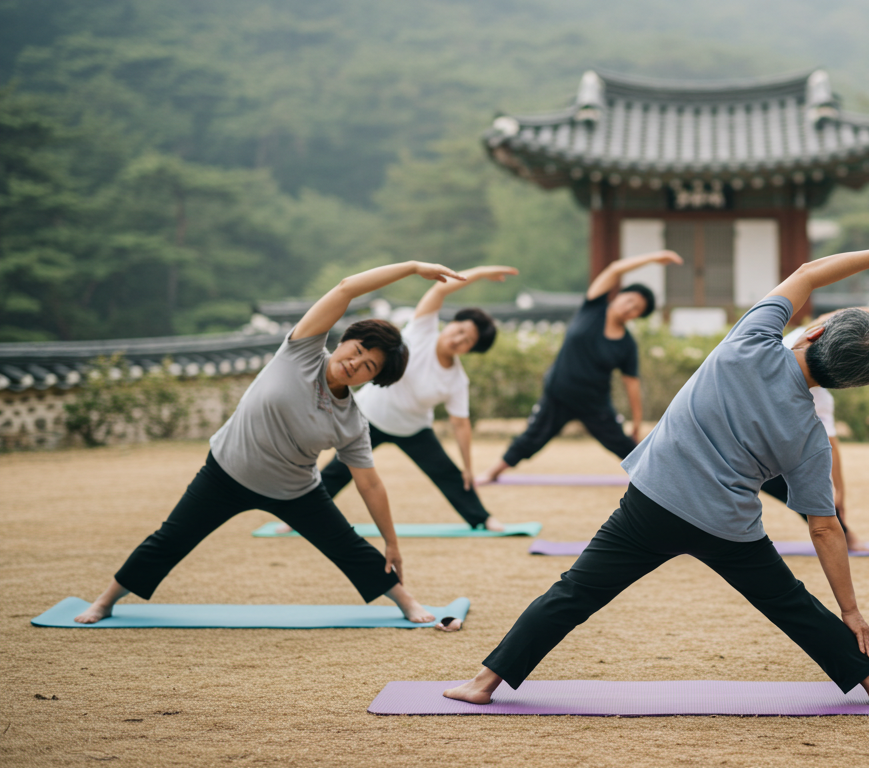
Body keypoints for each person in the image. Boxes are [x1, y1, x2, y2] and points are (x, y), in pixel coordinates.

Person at [442, 247, 869, 706]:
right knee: (790, 604)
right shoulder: (811, 435)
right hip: (728, 528)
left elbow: (809, 274)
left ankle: (485, 682)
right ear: (849, 384)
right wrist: (851, 611)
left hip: (652, 503)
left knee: (575, 592)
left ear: (813, 333)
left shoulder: (749, 340)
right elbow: (824, 526)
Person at [73, 261, 466, 625]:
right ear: (345, 340)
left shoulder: (352, 422)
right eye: (358, 350)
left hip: (295, 491)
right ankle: (105, 601)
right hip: (225, 473)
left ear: (373, 379)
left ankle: (406, 602)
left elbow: (370, 484)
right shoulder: (302, 351)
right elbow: (346, 288)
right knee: (170, 540)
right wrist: (413, 267)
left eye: (369, 366)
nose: (355, 363)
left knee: (347, 546)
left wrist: (392, 542)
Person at [310, 265, 518, 532]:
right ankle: (306, 515)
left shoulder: (456, 380)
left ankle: (483, 519)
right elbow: (440, 290)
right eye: (459, 329)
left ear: (469, 350)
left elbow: (460, 423)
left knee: (450, 474)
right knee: (338, 471)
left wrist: (468, 467)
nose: (458, 338)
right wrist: (480, 273)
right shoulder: (421, 330)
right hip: (369, 418)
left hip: (413, 429)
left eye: (467, 340)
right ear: (451, 323)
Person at [476, 250, 683, 484]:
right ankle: (491, 473)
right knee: (530, 439)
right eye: (629, 300)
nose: (629, 308)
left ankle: (664, 483)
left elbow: (632, 383)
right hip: (558, 394)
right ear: (618, 296)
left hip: (594, 404)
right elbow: (614, 269)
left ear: (636, 316)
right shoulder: (592, 307)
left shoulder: (626, 344)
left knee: (625, 446)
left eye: (636, 309)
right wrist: (653, 258)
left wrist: (636, 423)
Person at [762, 307, 869, 552]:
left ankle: (845, 535)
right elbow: (830, 448)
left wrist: (839, 491)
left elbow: (826, 319)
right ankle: (846, 537)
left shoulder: (800, 339)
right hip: (750, 450)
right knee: (804, 489)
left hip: (747, 443)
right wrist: (838, 494)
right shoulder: (815, 391)